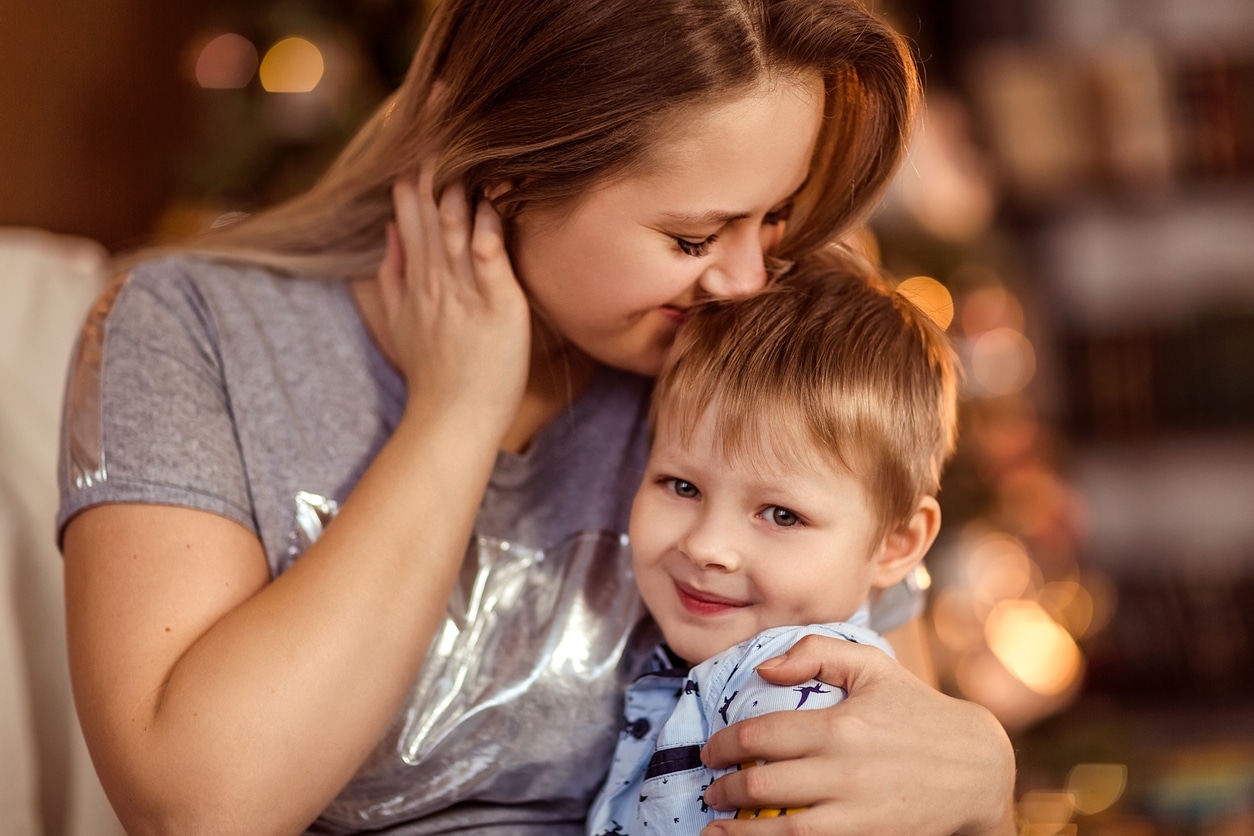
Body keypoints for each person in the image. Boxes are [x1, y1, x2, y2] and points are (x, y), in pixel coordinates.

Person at [56, 1, 1015, 834]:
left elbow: (893, 764)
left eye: (774, 217)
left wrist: (984, 770)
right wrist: (454, 411)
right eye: (691, 235)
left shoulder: (747, 352)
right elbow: (198, 809)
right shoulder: (191, 329)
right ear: (509, 174)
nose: (745, 278)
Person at [585, 252, 958, 835]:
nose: (708, 546)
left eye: (782, 515)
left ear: (895, 546)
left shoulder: (792, 692)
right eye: (681, 485)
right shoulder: (724, 658)